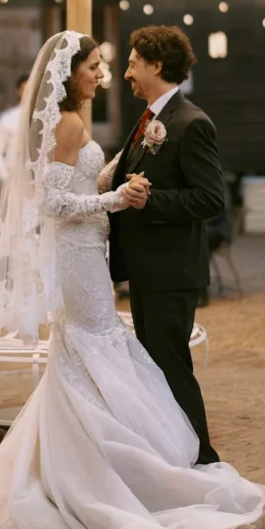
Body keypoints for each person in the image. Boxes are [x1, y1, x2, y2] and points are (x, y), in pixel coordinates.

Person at [0, 31, 265, 529]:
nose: (111, 73)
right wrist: (114, 196)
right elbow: (57, 199)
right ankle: (137, 470)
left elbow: (195, 196)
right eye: (97, 65)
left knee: (118, 357)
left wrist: (116, 183)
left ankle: (165, 463)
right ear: (71, 74)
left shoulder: (175, 121)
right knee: (99, 352)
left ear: (157, 65)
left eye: (125, 64)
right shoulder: (74, 124)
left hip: (124, 262)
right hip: (82, 255)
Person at [108, 25, 224, 465]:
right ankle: (174, 456)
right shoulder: (149, 121)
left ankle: (203, 461)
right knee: (158, 367)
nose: (126, 73)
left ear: (157, 65)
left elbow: (211, 198)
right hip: (147, 268)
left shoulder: (191, 123)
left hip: (171, 272)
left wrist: (151, 199)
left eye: (134, 62)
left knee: (172, 366)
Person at [0, 74, 29, 182]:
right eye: (25, 89)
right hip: (15, 178)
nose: (28, 93)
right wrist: (6, 178)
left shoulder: (46, 118)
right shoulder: (8, 118)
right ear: (18, 91)